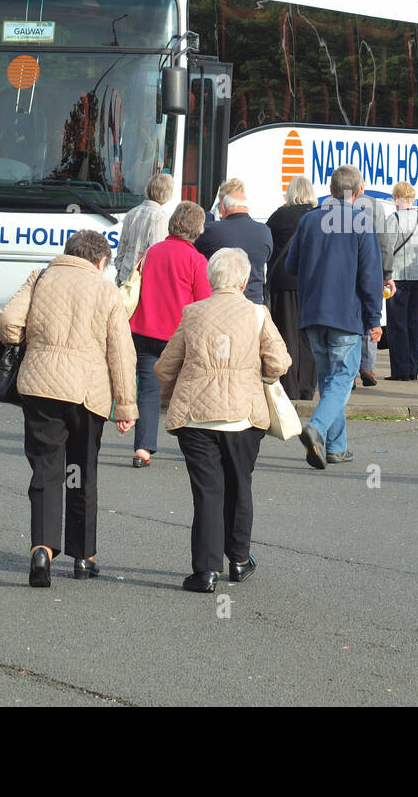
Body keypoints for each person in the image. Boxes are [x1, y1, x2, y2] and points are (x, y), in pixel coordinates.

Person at [0, 230, 138, 587]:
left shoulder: (41, 276)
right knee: (80, 471)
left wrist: (29, 342)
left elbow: (9, 323)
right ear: (101, 261)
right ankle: (82, 557)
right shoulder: (106, 290)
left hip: (40, 388)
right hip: (86, 394)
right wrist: (125, 406)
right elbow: (121, 352)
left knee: (46, 469)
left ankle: (42, 549)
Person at [155, 248, 291, 592]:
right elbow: (279, 362)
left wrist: (170, 394)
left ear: (210, 279)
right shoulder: (258, 314)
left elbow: (164, 366)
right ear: (244, 280)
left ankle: (205, 571)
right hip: (244, 417)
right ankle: (240, 560)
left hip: (197, 418)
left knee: (207, 494)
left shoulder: (193, 313)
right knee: (240, 487)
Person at [285, 164, 384, 467]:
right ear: (358, 192)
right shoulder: (362, 222)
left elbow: (291, 266)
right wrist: (374, 319)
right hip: (345, 314)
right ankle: (315, 428)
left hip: (313, 312)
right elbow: (369, 277)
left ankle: (335, 447)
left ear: (330, 190)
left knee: (329, 380)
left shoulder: (309, 220)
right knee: (343, 377)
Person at [129, 200, 212, 467]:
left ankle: (142, 448)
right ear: (197, 229)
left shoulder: (152, 252)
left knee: (148, 392)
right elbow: (203, 303)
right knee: (189, 391)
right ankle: (195, 448)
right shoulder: (197, 260)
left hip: (144, 330)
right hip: (178, 336)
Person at [265, 176, 320, 400]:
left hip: (284, 282)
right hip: (312, 283)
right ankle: (307, 387)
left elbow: (267, 242)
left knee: (287, 335)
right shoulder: (317, 216)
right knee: (308, 337)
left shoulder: (280, 216)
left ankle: (289, 388)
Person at [194, 178, 273, 305]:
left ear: (223, 208)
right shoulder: (264, 231)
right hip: (253, 303)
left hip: (220, 303)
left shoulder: (211, 230)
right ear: (246, 208)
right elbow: (266, 260)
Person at [385, 182, 418, 381]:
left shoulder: (393, 219)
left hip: (399, 276)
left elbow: (388, 247)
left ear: (397, 198)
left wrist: (385, 273)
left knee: (397, 324)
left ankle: (400, 371)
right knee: (414, 322)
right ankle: (413, 368)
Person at [352, 177, 395, 387]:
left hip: (347, 271)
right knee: (371, 313)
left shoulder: (334, 206)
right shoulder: (374, 205)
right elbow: (383, 240)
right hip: (371, 268)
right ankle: (367, 366)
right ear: (361, 187)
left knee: (349, 316)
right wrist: (386, 273)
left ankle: (349, 371)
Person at [115, 172, 175, 285]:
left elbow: (122, 246)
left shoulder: (131, 213)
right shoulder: (160, 218)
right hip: (142, 281)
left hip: (124, 276)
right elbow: (156, 255)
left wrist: (119, 272)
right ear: (168, 194)